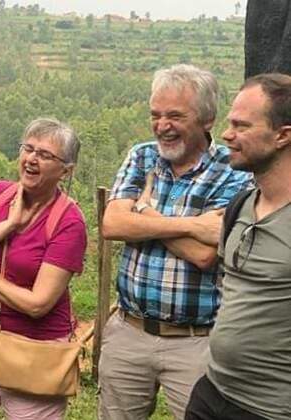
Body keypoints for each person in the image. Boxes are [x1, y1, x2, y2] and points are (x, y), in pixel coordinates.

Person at [99, 64, 253, 420]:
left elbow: (204, 253)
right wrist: (190, 225)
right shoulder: (142, 155)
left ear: (207, 119)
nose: (162, 126)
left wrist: (145, 213)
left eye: (175, 116)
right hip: (128, 331)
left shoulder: (233, 170)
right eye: (155, 115)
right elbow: (112, 223)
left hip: (196, 340)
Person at [0, 118, 87, 420]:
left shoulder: (69, 222)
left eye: (45, 155)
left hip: (34, 347)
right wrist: (9, 224)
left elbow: (38, 304)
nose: (32, 159)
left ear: (66, 170)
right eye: (28, 149)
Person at [185, 73, 291, 420]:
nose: (227, 135)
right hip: (212, 391)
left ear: (283, 135)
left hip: (268, 409)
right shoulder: (240, 206)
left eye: (242, 126)